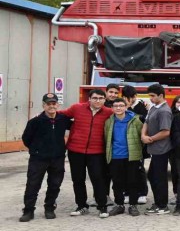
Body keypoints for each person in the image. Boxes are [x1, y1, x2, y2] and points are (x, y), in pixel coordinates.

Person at [58, 89, 113, 218]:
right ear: (89, 99)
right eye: (95, 98)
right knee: (78, 179)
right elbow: (61, 114)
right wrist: (41, 114)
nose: (98, 100)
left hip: (97, 152)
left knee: (98, 179)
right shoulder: (77, 108)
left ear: (105, 100)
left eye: (101, 98)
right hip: (76, 150)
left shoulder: (109, 113)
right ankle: (82, 206)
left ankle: (102, 206)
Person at [19, 94, 72, 222]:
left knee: (55, 184)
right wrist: (36, 149)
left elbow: (77, 127)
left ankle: (49, 208)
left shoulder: (63, 119)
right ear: (44, 105)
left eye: (54, 103)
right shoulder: (35, 121)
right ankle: (28, 210)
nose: (51, 106)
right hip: (38, 159)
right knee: (33, 184)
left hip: (57, 158)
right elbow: (26, 138)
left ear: (57, 105)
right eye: (48, 104)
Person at [104, 97, 144, 217]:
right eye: (116, 106)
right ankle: (119, 204)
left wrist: (137, 152)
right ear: (112, 108)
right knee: (117, 182)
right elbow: (106, 138)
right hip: (115, 156)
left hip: (132, 156)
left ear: (126, 107)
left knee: (132, 181)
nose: (118, 108)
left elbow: (141, 137)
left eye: (121, 106)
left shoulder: (135, 120)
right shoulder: (109, 121)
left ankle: (133, 205)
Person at [141, 84, 174, 215]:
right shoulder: (154, 107)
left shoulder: (164, 111)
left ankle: (163, 205)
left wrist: (150, 139)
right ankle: (158, 202)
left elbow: (166, 132)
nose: (151, 98)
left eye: (153, 96)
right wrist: (143, 135)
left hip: (161, 149)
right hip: (154, 148)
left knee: (159, 178)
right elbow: (146, 122)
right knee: (152, 175)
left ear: (161, 95)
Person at [122, 85, 148, 205]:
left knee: (139, 169)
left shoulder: (141, 106)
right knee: (125, 170)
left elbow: (142, 120)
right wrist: (125, 107)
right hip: (124, 143)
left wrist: (129, 108)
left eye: (132, 97)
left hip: (137, 143)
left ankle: (142, 193)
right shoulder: (121, 106)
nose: (130, 100)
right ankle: (126, 193)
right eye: (127, 97)